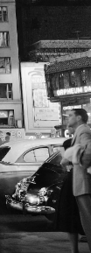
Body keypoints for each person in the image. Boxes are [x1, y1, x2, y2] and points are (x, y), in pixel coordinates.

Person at [64, 108, 91, 251]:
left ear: (79, 117)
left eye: (70, 116)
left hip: (84, 182)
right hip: (82, 182)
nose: (68, 118)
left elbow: (89, 149)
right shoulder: (81, 131)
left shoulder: (84, 131)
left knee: (88, 219)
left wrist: (80, 162)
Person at [55, 137, 85, 253]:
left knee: (70, 215)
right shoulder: (84, 147)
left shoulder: (71, 150)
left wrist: (67, 169)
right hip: (85, 179)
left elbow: (63, 162)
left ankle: (74, 250)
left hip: (72, 181)